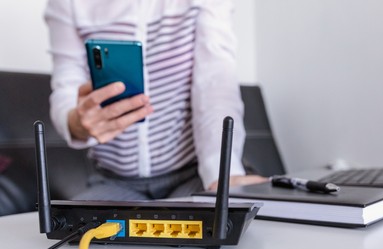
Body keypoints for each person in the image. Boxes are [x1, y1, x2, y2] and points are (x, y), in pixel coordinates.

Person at [44, 0, 267, 201]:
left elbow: (215, 85)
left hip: (192, 175)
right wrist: (77, 122)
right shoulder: (69, 4)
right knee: (74, 233)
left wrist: (223, 174)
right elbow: (66, 88)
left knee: (205, 228)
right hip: (113, 181)